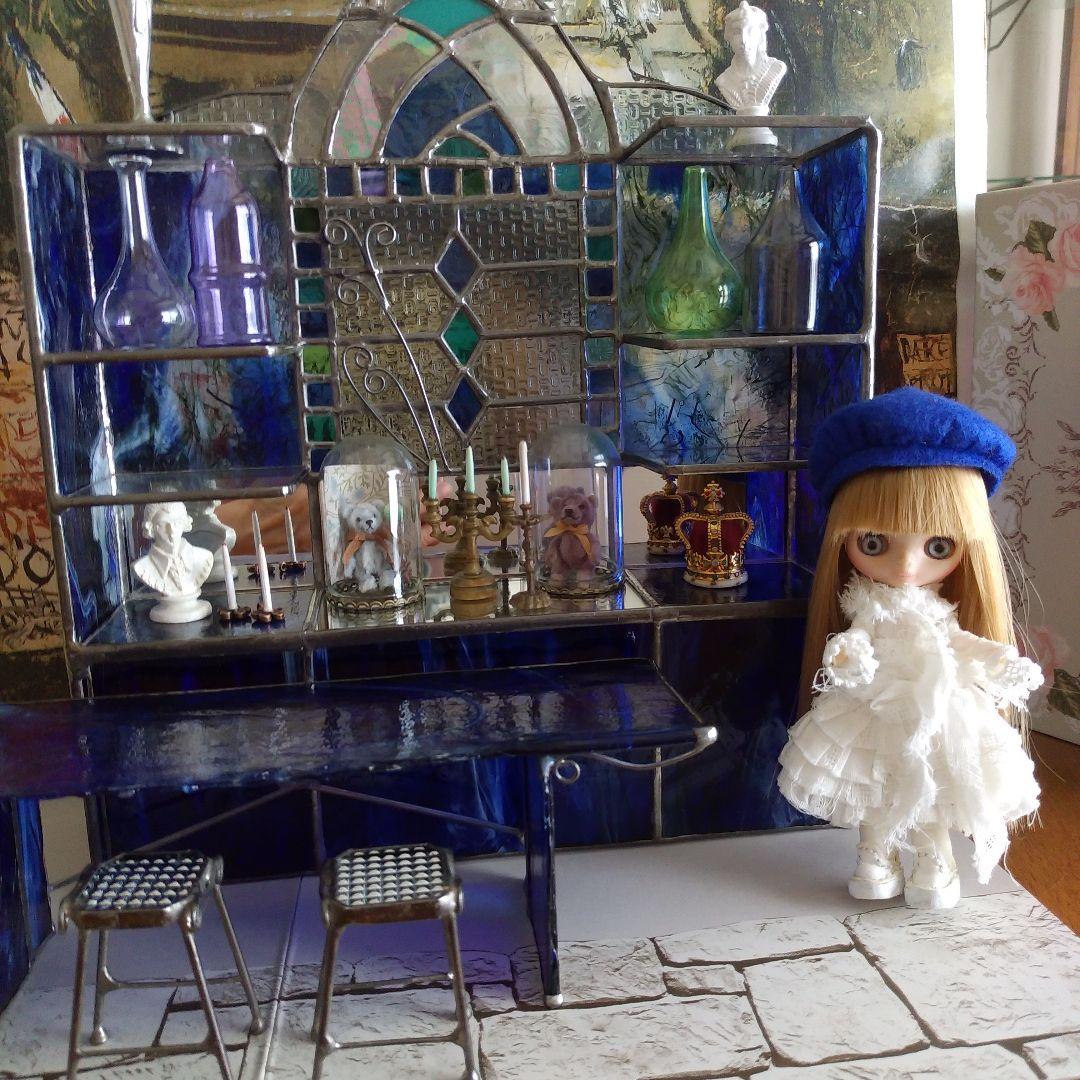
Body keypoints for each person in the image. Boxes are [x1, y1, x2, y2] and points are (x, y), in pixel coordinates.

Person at [777, 388, 1042, 909]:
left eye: (937, 546)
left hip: (937, 709)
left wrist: (997, 661)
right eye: (873, 543)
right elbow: (857, 637)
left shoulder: (938, 611)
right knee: (875, 780)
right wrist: (848, 654)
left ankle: (933, 857)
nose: (905, 567)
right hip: (875, 704)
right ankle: (875, 854)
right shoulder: (868, 605)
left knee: (934, 783)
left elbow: (957, 642)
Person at [133, 501, 213, 621]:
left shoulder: (203, 557)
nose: (172, 530)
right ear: (151, 528)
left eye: (177, 522)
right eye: (162, 524)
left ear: (185, 523)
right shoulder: (141, 567)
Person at [713, 2, 787, 115]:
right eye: (737, 32)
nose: (744, 39)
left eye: (750, 31)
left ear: (760, 35)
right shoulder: (724, 81)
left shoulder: (776, 69)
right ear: (729, 38)